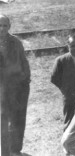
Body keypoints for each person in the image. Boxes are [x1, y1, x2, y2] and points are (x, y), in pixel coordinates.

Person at [0, 14, 31, 156]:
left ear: (9, 27)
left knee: (18, 118)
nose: (2, 28)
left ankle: (16, 149)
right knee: (3, 122)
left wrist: (25, 79)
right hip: (1, 89)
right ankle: (5, 152)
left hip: (17, 87)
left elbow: (24, 62)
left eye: (5, 25)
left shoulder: (16, 42)